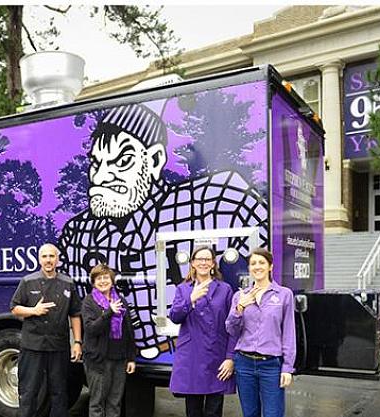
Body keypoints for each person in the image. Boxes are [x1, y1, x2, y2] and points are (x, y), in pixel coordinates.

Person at [57, 103, 268, 360]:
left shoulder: (219, 202)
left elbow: (260, 271)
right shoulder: (77, 235)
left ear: (155, 160)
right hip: (109, 354)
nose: (101, 175)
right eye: (96, 163)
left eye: (121, 160)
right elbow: (73, 308)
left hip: (194, 349)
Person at [225, 247, 299, 417]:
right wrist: (239, 309)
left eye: (261, 263)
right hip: (245, 363)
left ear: (270, 266)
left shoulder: (283, 295)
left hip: (270, 366)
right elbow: (231, 329)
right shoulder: (240, 295)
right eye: (253, 263)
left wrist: (287, 367)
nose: (256, 267)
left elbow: (289, 332)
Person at [167, 246, 236, 417]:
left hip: (216, 357)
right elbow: (175, 316)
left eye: (208, 259)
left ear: (214, 263)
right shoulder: (183, 289)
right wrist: (191, 299)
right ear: (193, 263)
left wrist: (230, 357)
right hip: (192, 357)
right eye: (200, 259)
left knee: (213, 412)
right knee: (193, 411)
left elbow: (232, 326)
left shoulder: (225, 289)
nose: (204, 263)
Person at [10, 243, 83, 417]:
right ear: (39, 259)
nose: (48, 260)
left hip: (58, 345)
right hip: (32, 345)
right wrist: (34, 310)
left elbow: (75, 314)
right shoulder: (28, 281)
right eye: (44, 256)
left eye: (52, 256)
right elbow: (15, 308)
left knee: (59, 390)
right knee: (30, 390)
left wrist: (77, 342)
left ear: (57, 259)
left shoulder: (67, 283)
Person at [81, 264, 137, 417]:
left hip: (119, 358)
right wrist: (109, 313)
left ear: (112, 280)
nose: (103, 281)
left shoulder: (120, 300)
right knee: (98, 399)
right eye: (99, 279)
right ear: (94, 282)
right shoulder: (89, 302)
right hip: (98, 359)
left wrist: (131, 357)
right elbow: (91, 329)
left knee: (115, 400)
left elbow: (129, 331)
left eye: (106, 278)